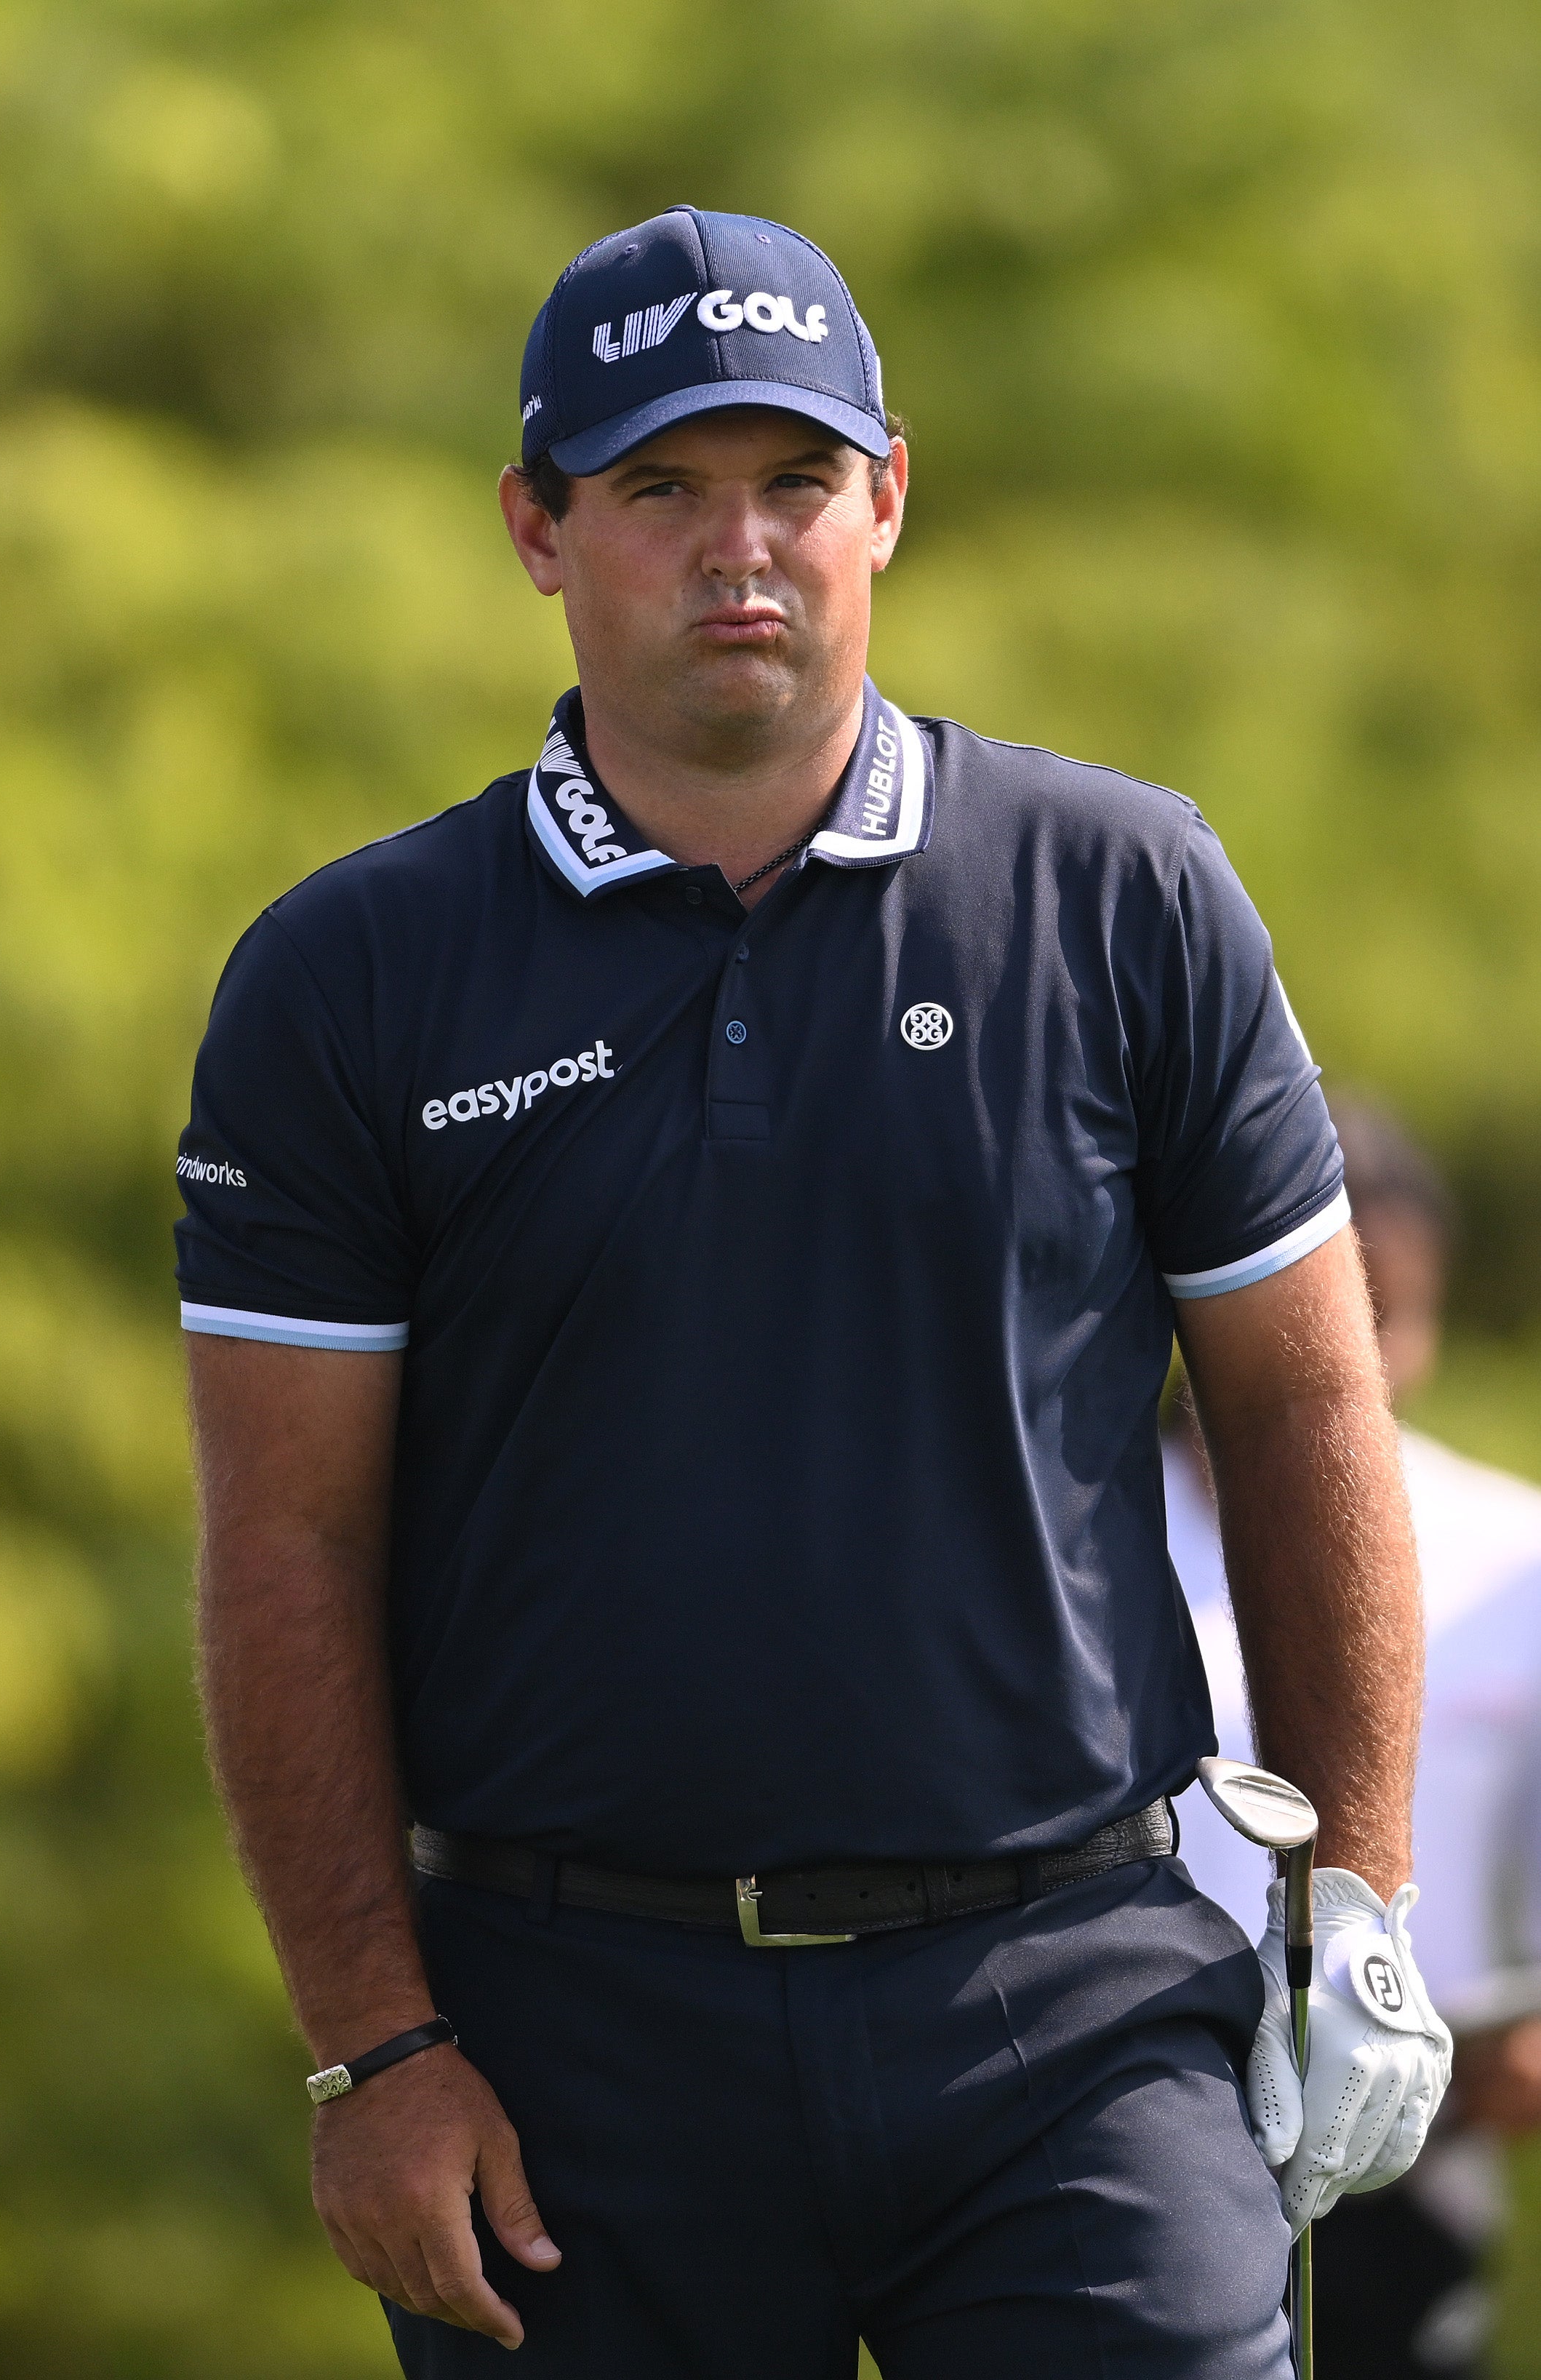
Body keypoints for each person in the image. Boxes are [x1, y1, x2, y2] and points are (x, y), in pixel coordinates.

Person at [177, 206, 1449, 2378]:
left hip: (1070, 2000)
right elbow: (290, 1539)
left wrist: (1354, 1901)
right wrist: (372, 2050)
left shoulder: (1118, 889)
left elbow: (1303, 1411)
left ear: (886, 498)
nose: (734, 547)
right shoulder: (351, 974)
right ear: (535, 528)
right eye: (658, 488)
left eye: (789, 481)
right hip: (568, 2040)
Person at [1170, 1096, 1541, 2377]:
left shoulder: (1514, 1553)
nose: (1346, 1358)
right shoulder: (1070, 1536)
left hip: (1409, 2163)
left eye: (1382, 1313)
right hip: (1115, 2125)